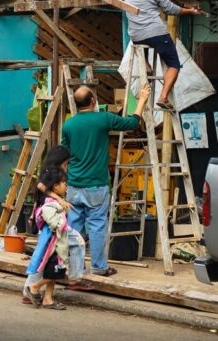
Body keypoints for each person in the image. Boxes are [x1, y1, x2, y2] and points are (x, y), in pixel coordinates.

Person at [61, 84, 151, 277]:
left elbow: (64, 153)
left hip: (74, 186)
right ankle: (99, 267)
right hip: (96, 185)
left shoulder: (68, 125)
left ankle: (76, 271)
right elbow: (131, 124)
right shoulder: (103, 119)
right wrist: (142, 99)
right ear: (93, 101)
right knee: (97, 227)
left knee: (74, 230)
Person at [123, 0, 203, 111]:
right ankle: (163, 97)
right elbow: (170, 9)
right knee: (174, 64)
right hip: (156, 33)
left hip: (136, 36)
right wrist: (189, 10)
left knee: (141, 38)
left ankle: (146, 65)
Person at [21, 146, 91, 303]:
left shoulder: (50, 172)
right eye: (65, 163)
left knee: (48, 258)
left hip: (48, 223)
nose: (66, 167)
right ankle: (73, 278)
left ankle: (44, 296)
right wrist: (59, 199)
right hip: (51, 223)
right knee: (71, 245)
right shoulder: (51, 173)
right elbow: (40, 186)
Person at [24, 167, 75, 310]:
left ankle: (48, 299)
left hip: (58, 243)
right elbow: (53, 220)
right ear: (55, 186)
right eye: (64, 183)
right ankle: (34, 287)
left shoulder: (55, 201)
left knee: (53, 272)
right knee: (54, 272)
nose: (66, 186)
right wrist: (63, 223)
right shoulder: (50, 203)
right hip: (54, 245)